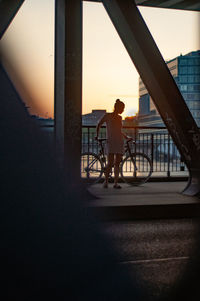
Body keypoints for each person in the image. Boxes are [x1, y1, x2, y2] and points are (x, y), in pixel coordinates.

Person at [96, 99, 128, 189]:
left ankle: (111, 183)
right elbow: (99, 124)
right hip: (113, 141)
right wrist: (97, 135)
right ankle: (109, 182)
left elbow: (119, 131)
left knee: (114, 163)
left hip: (116, 141)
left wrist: (126, 137)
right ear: (118, 108)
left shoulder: (114, 117)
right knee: (112, 163)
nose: (123, 110)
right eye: (122, 108)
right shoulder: (109, 116)